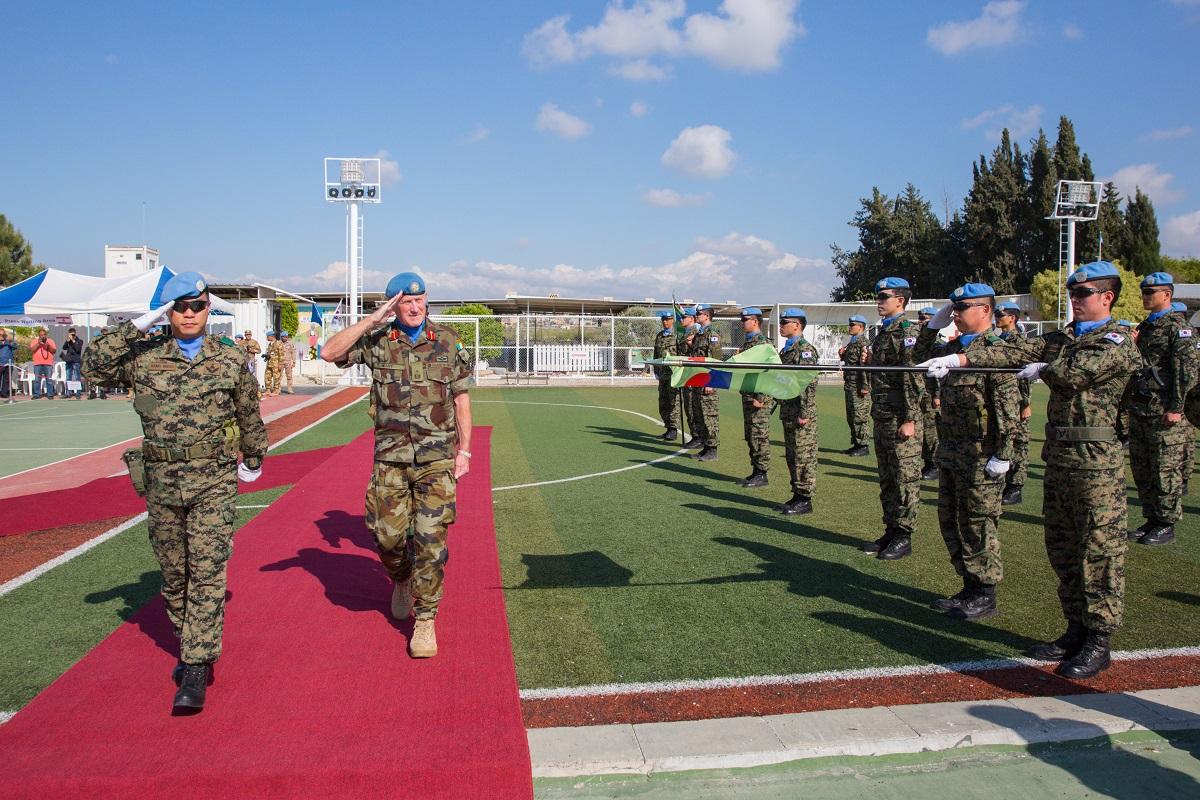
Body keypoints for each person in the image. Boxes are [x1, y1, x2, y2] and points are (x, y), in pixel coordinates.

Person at [921, 261, 1141, 678]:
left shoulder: (1116, 340)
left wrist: (1045, 367)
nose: (1075, 300)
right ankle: (1074, 629)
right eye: (1073, 294)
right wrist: (960, 359)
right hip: (1059, 456)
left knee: (1099, 549)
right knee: (1062, 546)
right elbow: (1008, 350)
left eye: (1083, 294)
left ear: (1107, 297)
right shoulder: (1062, 338)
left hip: (1096, 459)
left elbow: (1077, 373)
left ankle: (1099, 639)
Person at [82, 272, 267, 711]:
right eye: (179, 307)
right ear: (168, 313)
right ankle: (190, 642)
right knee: (174, 574)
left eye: (196, 306)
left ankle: (197, 664)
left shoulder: (229, 358)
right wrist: (141, 323)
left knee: (207, 568)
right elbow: (93, 366)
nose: (189, 314)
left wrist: (254, 455)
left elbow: (248, 411)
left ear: (208, 309)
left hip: (212, 480)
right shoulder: (144, 357)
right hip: (162, 482)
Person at [321, 272, 472, 659]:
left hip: (436, 459)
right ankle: (401, 578)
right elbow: (329, 353)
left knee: (430, 541)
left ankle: (426, 618)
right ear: (393, 305)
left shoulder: (448, 340)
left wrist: (465, 451)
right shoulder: (377, 341)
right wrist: (373, 319)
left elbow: (461, 400)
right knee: (386, 538)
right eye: (406, 301)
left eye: (419, 300)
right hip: (390, 459)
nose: (415, 307)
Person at [915, 285, 1019, 620]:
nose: (956, 314)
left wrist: (1003, 455)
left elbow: (1008, 410)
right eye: (954, 308)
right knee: (952, 521)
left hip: (980, 455)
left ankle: (985, 592)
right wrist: (934, 325)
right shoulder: (954, 348)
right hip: (952, 452)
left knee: (978, 524)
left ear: (986, 310)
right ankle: (969, 585)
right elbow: (917, 356)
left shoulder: (997, 349)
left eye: (962, 308)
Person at [1127, 273, 1197, 547]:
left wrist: (1176, 407)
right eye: (1144, 292)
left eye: (1150, 292)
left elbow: (1186, 372)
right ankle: (1152, 518)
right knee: (1143, 467)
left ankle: (1166, 523)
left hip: (1165, 411)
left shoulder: (1178, 328)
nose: (1145, 296)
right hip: (1142, 408)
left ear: (1167, 295)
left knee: (1164, 469)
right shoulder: (1145, 327)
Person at [863, 278, 925, 560]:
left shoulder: (907, 331)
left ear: (900, 300)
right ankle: (890, 529)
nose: (878, 301)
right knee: (888, 478)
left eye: (884, 297)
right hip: (883, 415)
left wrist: (910, 418)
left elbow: (912, 378)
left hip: (901, 417)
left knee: (904, 477)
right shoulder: (883, 332)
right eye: (877, 296)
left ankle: (904, 534)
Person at [776, 308, 819, 514]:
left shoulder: (805, 350)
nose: (781, 326)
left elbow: (807, 384)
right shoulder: (786, 350)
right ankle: (797, 494)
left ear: (797, 325)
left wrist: (805, 413)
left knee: (803, 456)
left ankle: (805, 499)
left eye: (785, 322)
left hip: (800, 411)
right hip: (788, 409)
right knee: (792, 455)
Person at [994, 301, 1033, 504]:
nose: (997, 318)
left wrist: (1025, 403)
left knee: (1018, 443)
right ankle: (1002, 483)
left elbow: (1024, 376)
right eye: (996, 315)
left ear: (1012, 318)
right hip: (1000, 399)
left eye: (1001, 315)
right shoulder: (997, 340)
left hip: (1016, 399)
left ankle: (1016, 487)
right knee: (1002, 440)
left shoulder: (1019, 341)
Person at [736, 307, 774, 487]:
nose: (742, 323)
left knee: (759, 434)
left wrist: (761, 396)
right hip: (748, 394)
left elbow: (769, 372)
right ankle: (756, 470)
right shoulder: (748, 343)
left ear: (755, 321)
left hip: (758, 397)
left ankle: (762, 473)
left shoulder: (763, 343)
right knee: (751, 434)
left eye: (745, 320)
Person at [690, 303, 722, 462]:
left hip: (708, 381)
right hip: (698, 379)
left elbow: (716, 360)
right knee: (700, 415)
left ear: (707, 315)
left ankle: (712, 449)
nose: (696, 316)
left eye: (699, 313)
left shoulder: (712, 334)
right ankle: (705, 446)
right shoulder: (699, 334)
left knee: (709, 416)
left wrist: (712, 382)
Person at [839, 315, 871, 457]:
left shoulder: (863, 343)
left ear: (861, 327)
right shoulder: (852, 343)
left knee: (860, 416)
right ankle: (856, 443)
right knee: (851, 416)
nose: (850, 327)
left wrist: (865, 386)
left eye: (852, 325)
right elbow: (850, 362)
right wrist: (842, 355)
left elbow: (865, 367)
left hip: (858, 386)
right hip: (850, 384)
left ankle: (863, 445)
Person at [916, 307, 942, 480]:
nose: (921, 321)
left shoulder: (937, 343)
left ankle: (935, 464)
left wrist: (938, 395)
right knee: (924, 430)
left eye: (924, 318)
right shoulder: (921, 342)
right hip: (921, 392)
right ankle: (927, 462)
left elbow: (940, 372)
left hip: (931, 394)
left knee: (932, 430)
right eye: (920, 318)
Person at [652, 309, 681, 441]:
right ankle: (668, 427)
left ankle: (673, 429)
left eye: (668, 320)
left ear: (672, 321)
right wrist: (655, 370)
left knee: (673, 402)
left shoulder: (677, 336)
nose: (666, 322)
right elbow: (656, 354)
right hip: (662, 374)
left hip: (673, 374)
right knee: (663, 402)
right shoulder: (659, 336)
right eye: (664, 320)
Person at [678, 307, 702, 449]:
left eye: (684, 317)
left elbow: (696, 352)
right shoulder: (687, 332)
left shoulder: (695, 331)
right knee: (688, 406)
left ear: (691, 319)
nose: (681, 319)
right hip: (687, 374)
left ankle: (698, 436)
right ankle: (695, 435)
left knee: (693, 407)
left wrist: (690, 343)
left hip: (693, 375)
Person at [30, 328, 57, 399]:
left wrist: (47, 345)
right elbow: (32, 350)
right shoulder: (35, 341)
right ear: (39, 335)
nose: (42, 336)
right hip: (37, 363)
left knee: (49, 380)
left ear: (46, 335)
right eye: (41, 335)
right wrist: (38, 344)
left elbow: (54, 351)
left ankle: (50, 394)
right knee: (37, 380)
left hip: (48, 363)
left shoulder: (50, 341)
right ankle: (36, 394)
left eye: (44, 335)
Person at [60, 327, 84, 399]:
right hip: (69, 361)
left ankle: (78, 393)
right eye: (71, 334)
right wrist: (67, 341)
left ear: (75, 334)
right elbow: (64, 348)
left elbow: (78, 349)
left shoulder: (80, 341)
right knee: (68, 377)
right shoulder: (69, 341)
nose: (72, 336)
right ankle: (68, 393)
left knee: (77, 377)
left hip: (76, 361)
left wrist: (73, 341)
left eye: (73, 334)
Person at [263, 330, 283, 396]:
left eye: (268, 337)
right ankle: (268, 390)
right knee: (267, 376)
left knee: (276, 377)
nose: (267, 338)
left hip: (276, 364)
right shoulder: (270, 344)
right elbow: (271, 353)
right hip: (269, 363)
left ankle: (276, 391)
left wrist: (280, 364)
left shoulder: (278, 343)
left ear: (272, 336)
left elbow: (281, 354)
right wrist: (266, 355)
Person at [0, 329, 13, 398]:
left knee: (7, 380)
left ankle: (4, 393)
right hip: (0, 363)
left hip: (8, 363)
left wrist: (10, 341)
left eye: (3, 334)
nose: (2, 336)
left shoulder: (9, 341)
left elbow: (15, 346)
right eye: (0, 334)